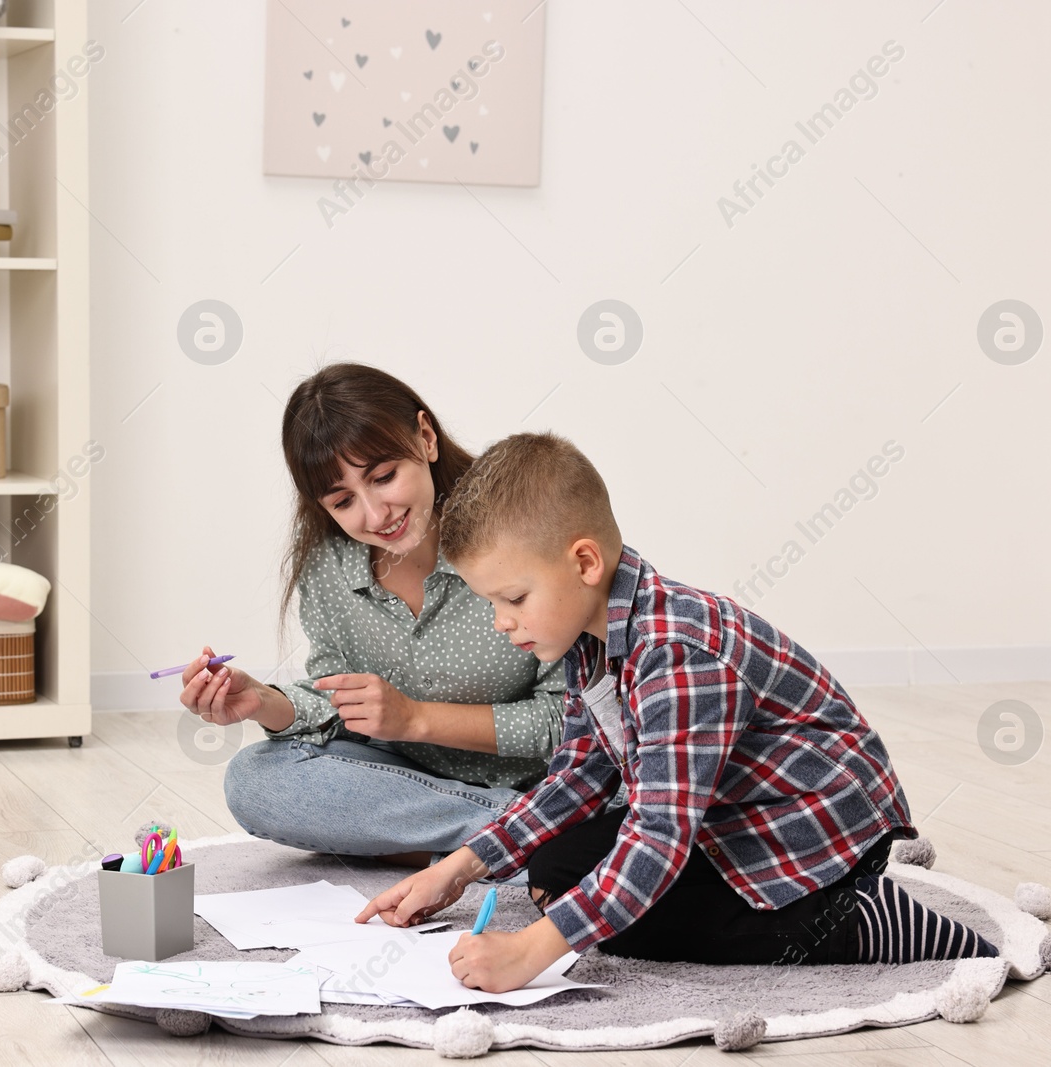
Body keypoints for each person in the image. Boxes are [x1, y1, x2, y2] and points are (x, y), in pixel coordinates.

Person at [358, 431, 999, 991]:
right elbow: (578, 778)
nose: (502, 624)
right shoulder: (587, 640)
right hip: (729, 815)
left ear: (583, 562)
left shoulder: (678, 653)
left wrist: (534, 949)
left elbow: (660, 836)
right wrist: (458, 869)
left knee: (635, 920)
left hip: (815, 830)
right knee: (557, 866)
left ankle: (853, 920)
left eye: (514, 598)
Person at [176, 364, 565, 861]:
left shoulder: (515, 535)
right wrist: (264, 701)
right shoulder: (328, 567)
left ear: (425, 438)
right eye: (343, 501)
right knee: (254, 779)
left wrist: (417, 719)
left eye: (383, 477)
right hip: (402, 777)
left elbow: (565, 721)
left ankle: (452, 841)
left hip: (534, 775)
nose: (376, 515)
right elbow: (344, 708)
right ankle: (522, 836)